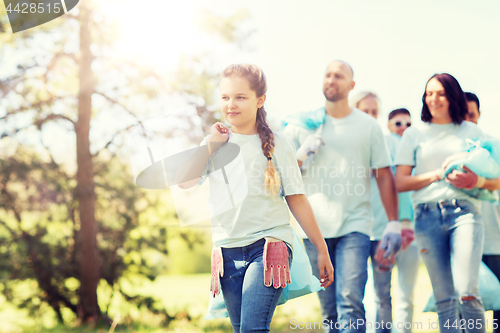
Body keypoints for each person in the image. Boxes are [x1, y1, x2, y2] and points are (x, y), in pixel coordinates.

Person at [177, 64, 334, 333]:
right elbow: (185, 181)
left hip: (268, 246)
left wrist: (321, 249)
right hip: (226, 252)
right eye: (225, 97)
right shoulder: (214, 144)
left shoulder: (279, 144)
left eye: (240, 97)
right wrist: (211, 144)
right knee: (241, 330)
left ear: (260, 100)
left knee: (252, 329)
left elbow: (296, 199)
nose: (231, 104)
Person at [283, 60, 401, 333]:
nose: (331, 80)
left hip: (354, 226)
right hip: (313, 230)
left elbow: (384, 175)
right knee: (329, 311)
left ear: (351, 85)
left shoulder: (368, 126)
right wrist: (299, 157)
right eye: (327, 75)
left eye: (339, 76)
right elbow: (277, 171)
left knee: (350, 302)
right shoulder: (303, 125)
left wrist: (393, 222)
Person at [395, 73, 500, 333]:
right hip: (426, 217)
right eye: (429, 93)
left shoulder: (472, 131)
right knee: (444, 298)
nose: (434, 99)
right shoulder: (414, 134)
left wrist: (475, 181)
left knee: (467, 292)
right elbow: (400, 182)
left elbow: (496, 180)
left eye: (440, 93)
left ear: (452, 96)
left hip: (464, 214)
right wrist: (437, 175)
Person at [354, 92, 418, 333]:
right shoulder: (377, 141)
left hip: (386, 231)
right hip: (360, 230)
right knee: (361, 296)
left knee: (386, 295)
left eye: (373, 112)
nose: (403, 128)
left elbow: (400, 187)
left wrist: (404, 223)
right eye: (398, 124)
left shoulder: (390, 144)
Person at [465, 92, 500, 333]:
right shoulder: (450, 147)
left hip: (495, 241)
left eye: (471, 115)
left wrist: (477, 181)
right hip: (464, 241)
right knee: (465, 304)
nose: (467, 121)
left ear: (479, 115)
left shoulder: (492, 144)